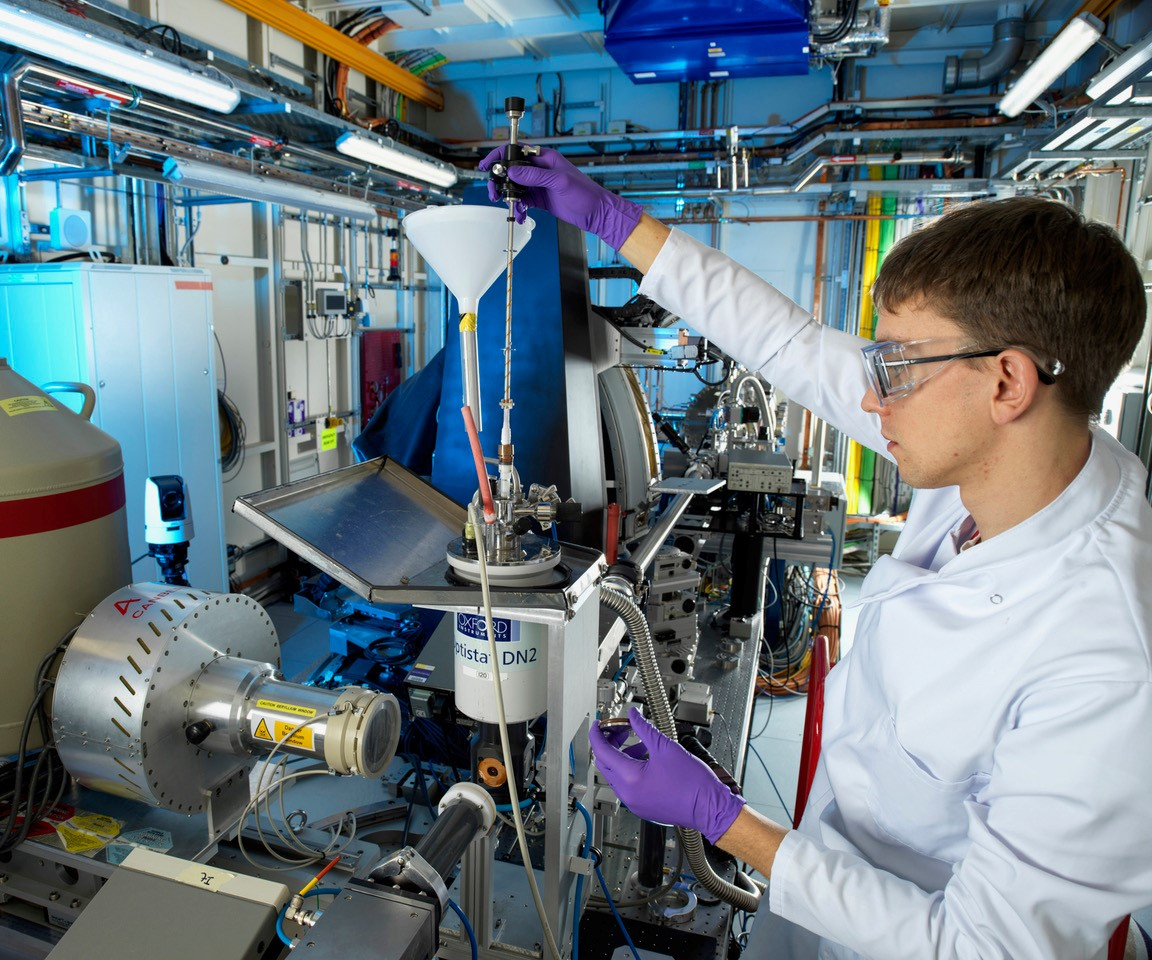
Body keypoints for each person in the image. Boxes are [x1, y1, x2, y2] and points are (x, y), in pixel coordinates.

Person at [479, 146, 1152, 959]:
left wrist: (727, 823)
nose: (869, 398)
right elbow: (792, 345)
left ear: (1007, 384)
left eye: (897, 367)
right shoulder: (1014, 454)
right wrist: (620, 225)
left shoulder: (1110, 662)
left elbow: (985, 948)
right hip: (833, 878)